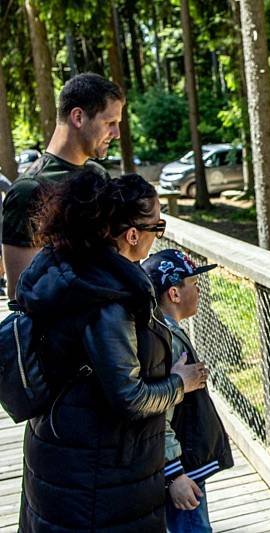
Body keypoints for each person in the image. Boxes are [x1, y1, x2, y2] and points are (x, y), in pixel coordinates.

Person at [16, 171, 208, 531]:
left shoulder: (66, 267)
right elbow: (130, 398)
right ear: (133, 235)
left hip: (60, 457)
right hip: (97, 482)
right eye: (158, 226)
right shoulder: (107, 298)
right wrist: (180, 383)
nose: (157, 236)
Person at [2, 72, 123, 300]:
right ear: (78, 117)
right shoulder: (29, 190)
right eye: (110, 123)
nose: (116, 134)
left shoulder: (98, 175)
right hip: (63, 332)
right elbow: (21, 292)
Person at [143, 249, 234, 532]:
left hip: (182, 466)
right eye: (194, 285)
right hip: (182, 470)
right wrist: (175, 475)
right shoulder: (169, 342)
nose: (199, 291)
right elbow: (158, 414)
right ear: (174, 293)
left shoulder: (163, 329)